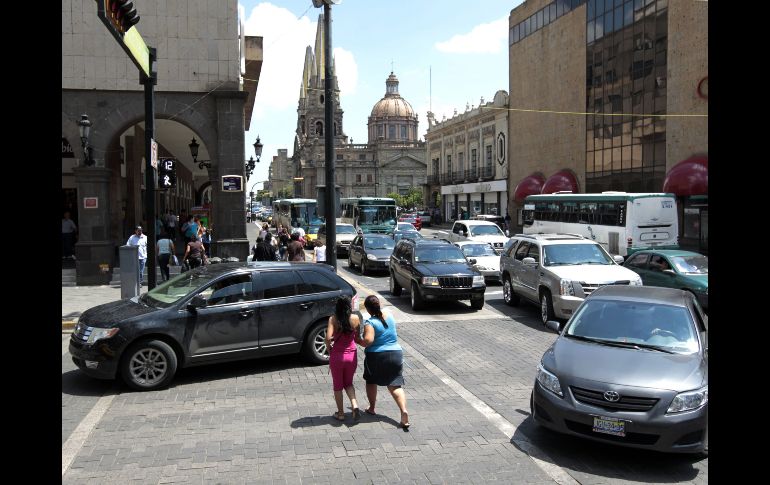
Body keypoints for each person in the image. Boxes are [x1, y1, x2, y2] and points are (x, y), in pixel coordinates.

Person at [355, 295, 410, 429]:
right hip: (396, 353)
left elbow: (368, 341)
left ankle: (372, 408)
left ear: (368, 309)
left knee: (371, 381)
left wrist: (357, 339)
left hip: (377, 356)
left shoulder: (370, 322)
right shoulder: (389, 315)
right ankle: (403, 410)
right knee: (395, 385)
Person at [325, 296, 362, 421]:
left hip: (337, 356)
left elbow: (328, 338)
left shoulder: (333, 319)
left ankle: (340, 414)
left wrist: (330, 350)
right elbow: (357, 337)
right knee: (348, 383)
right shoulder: (356, 318)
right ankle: (355, 405)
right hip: (352, 355)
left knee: (338, 386)